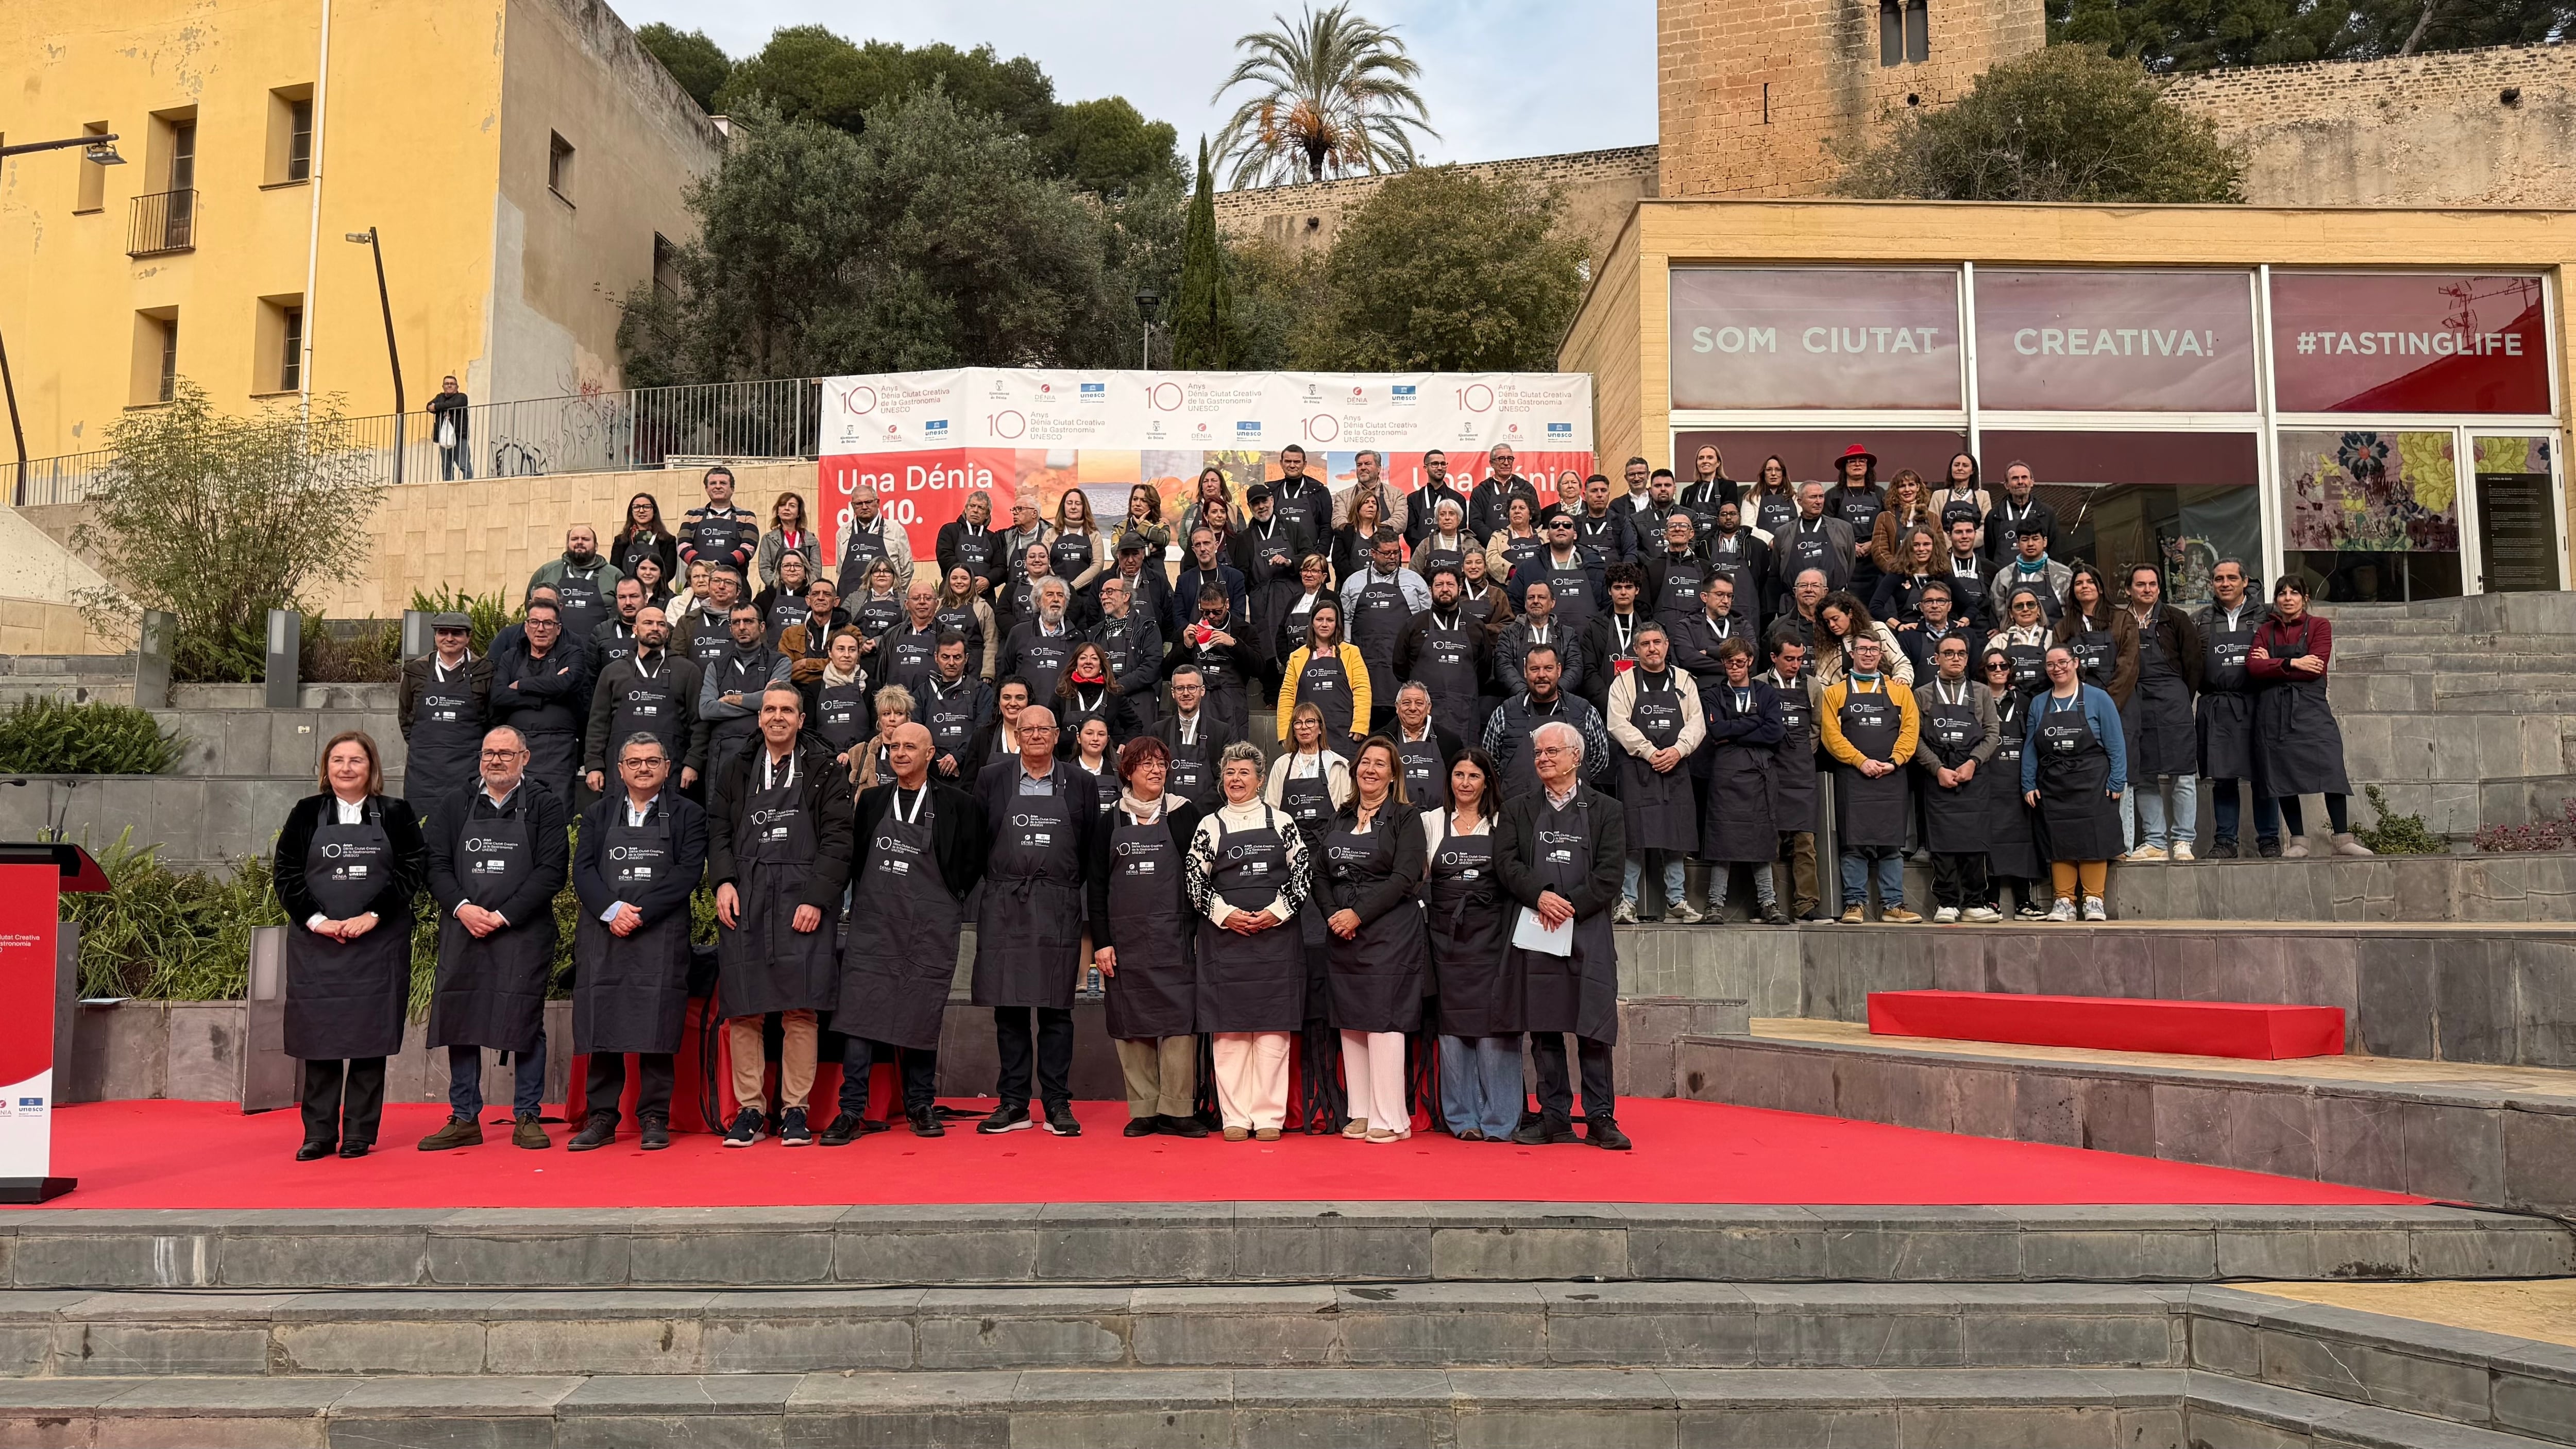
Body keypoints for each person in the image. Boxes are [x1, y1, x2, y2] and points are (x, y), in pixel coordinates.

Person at [830, 721, 988, 1144]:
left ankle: (921, 1103)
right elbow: (859, 857)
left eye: (910, 747)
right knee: (860, 1014)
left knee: (923, 1009)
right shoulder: (873, 801)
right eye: (894, 746)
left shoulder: (958, 804)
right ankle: (851, 1108)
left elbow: (970, 863)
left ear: (930, 754)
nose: (900, 753)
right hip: (875, 923)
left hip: (930, 926)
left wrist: (950, 897)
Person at [709, 684, 852, 1147]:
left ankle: (795, 1109)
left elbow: (838, 839)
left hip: (801, 898)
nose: (776, 717)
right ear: (759, 718)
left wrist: (816, 897)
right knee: (746, 1009)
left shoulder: (823, 770)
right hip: (745, 897)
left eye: (786, 710)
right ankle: (749, 1110)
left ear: (801, 719)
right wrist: (723, 881)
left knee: (800, 1008)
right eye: (769, 709)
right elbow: (717, 830)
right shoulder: (737, 768)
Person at [274, 731, 425, 1160]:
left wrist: (371, 915)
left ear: (371, 768)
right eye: (337, 759)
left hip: (377, 944)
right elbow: (286, 872)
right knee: (319, 1039)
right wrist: (319, 921)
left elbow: (411, 869)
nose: (346, 767)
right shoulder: (306, 812)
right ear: (326, 768)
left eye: (355, 760)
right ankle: (318, 1133)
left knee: (368, 1040)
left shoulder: (396, 812)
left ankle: (359, 1132)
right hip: (317, 945)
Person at [419, 726, 568, 1152]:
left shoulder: (545, 805)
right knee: (460, 1019)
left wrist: (504, 914)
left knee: (525, 1020)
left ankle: (527, 1115)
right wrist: (463, 908)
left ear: (526, 757)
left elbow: (552, 871)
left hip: (523, 932)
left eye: (506, 753)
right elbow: (436, 865)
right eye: (489, 753)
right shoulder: (456, 802)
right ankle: (465, 1116)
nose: (496, 761)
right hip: (463, 928)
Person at [567, 734, 707, 1151]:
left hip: (659, 933)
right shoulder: (597, 814)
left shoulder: (689, 814)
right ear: (620, 769)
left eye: (652, 761)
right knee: (602, 1022)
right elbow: (583, 870)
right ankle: (602, 1117)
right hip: (604, 931)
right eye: (634, 762)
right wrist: (612, 910)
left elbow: (686, 873)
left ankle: (654, 1116)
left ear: (667, 768)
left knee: (657, 1023)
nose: (643, 768)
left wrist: (638, 912)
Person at [1496, 720, 1629, 1150]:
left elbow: (1610, 875)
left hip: (1588, 930)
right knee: (1545, 1027)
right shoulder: (1517, 809)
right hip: (1538, 930)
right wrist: (1540, 897)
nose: (1543, 759)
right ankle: (1553, 1115)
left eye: (1552, 752)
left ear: (1576, 756)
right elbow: (1506, 863)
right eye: (1538, 753)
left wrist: (1567, 903)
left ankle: (1600, 1117)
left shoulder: (1607, 810)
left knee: (1593, 1026)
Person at [973, 704, 1104, 1136]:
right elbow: (981, 838)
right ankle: (1012, 1102)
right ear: (1015, 732)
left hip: (1058, 905)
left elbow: (1088, 850)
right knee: (1008, 1009)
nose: (1033, 735)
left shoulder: (1082, 783)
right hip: (1005, 903)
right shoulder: (992, 777)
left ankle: (1056, 1102)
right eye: (1025, 728)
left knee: (1056, 1010)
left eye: (1042, 729)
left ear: (1055, 735)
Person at [1085, 736, 1206, 1139]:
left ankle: (1178, 1109)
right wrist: (1101, 942)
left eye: (1161, 763)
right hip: (1125, 943)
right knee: (1131, 1026)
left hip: (1176, 939)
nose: (1156, 770)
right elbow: (1097, 888)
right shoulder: (1110, 822)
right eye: (1147, 764)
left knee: (1178, 1027)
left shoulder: (1186, 814)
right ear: (1128, 771)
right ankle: (1144, 1109)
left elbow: (1202, 877)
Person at [1189, 740, 1309, 1141]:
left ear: (1259, 780)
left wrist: (1278, 911)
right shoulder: (1209, 825)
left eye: (1244, 772)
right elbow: (1194, 881)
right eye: (1229, 772)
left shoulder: (1283, 822)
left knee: (1273, 1033)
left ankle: (1270, 1116)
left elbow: (1303, 875)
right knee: (1230, 1034)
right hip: (1226, 942)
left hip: (1276, 941)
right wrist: (1226, 914)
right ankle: (1236, 1117)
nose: (1236, 779)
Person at [1321, 736, 1429, 1144]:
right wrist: (1335, 914)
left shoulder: (1406, 817)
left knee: (1384, 1022)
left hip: (1388, 932)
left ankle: (1391, 1117)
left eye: (1380, 764)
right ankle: (1362, 1111)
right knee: (1351, 1021)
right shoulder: (1341, 816)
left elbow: (1406, 877)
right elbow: (1319, 874)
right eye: (1365, 762)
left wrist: (1358, 914)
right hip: (1343, 932)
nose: (1370, 769)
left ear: (1393, 774)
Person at [1422, 748, 1518, 1140]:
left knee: (1494, 1029)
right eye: (1458, 774)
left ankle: (1500, 1119)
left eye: (1473, 776)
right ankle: (1462, 1119)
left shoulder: (1503, 824)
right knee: (1452, 1030)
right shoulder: (1431, 822)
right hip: (1446, 940)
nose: (1465, 782)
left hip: (1493, 939)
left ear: (1487, 782)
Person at [2250, 577, 2374, 858]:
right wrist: (2292, 662)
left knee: (2331, 769)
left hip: (2311, 709)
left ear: (2305, 598)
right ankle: (2298, 843)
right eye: (2282, 593)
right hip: (2273, 713)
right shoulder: (2265, 630)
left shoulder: (2319, 626)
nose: (2288, 598)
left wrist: (2273, 665)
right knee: (2282, 775)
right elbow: (2254, 668)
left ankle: (2343, 840)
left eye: (2294, 593)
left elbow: (2316, 666)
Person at [1607, 621, 1704, 924]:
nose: (1652, 649)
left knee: (1675, 833)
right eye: (1645, 644)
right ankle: (1627, 903)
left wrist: (1678, 751)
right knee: (1634, 835)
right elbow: (1617, 723)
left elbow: (1697, 723)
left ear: (1666, 646)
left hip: (1676, 766)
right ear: (1636, 650)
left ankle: (1677, 901)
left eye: (1657, 643)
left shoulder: (1685, 681)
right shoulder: (1623, 682)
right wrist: (1650, 752)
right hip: (1637, 767)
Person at [1821, 632, 1921, 924]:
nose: (1868, 654)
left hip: (1892, 777)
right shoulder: (1835, 692)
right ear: (1852, 653)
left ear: (1881, 655)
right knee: (1853, 843)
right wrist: (1860, 761)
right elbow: (1831, 736)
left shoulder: (1901, 692)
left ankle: (1893, 906)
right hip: (1853, 777)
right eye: (1862, 649)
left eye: (1873, 650)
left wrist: (1894, 761)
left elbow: (1910, 732)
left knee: (1891, 844)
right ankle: (1854, 904)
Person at [2025, 644, 2127, 920]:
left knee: (2094, 838)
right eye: (2050, 664)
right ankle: (2064, 901)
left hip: (2093, 779)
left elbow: (2116, 744)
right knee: (2060, 841)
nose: (2057, 668)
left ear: (2076, 663)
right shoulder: (2039, 703)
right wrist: (2028, 783)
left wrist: (2117, 780)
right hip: (2053, 782)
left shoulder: (2098, 698)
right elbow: (2031, 747)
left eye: (2062, 662)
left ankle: (2094, 899)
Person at [1698, 637, 1788, 924]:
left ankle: (1769, 903)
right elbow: (1715, 730)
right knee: (1722, 840)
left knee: (1761, 839)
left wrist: (1734, 731)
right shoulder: (1713, 694)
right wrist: (1755, 721)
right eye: (1728, 662)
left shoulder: (1766, 693)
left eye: (1739, 662)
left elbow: (1775, 732)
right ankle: (1714, 904)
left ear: (1750, 661)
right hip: (1725, 772)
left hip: (1760, 772)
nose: (1734, 667)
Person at [2195, 558, 2279, 859]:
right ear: (2212, 584)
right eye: (2219, 579)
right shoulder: (2201, 619)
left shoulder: (2268, 616)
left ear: (2245, 581)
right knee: (2224, 777)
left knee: (2262, 775)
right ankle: (2225, 841)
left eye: (2232, 578)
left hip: (2258, 703)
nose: (2225, 584)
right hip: (2218, 705)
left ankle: (2269, 839)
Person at [1914, 634, 2001, 923]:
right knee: (1943, 843)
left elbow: (1992, 733)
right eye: (1949, 653)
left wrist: (1973, 763)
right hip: (1938, 775)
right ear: (1936, 658)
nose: (1956, 658)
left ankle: (1975, 902)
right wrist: (1937, 768)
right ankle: (1947, 902)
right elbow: (1915, 739)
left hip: (1973, 776)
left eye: (1961, 653)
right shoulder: (1922, 694)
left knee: (1975, 842)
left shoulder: (1982, 692)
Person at [2123, 562, 2204, 862]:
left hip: (2173, 701)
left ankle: (2183, 840)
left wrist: (2182, 695)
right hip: (2135, 699)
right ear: (2129, 589)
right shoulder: (2121, 620)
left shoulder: (2176, 618)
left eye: (2153, 585)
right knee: (2144, 773)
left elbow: (2194, 664)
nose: (2147, 590)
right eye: (2141, 585)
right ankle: (2156, 841)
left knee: (2182, 773)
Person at [582, 606, 703, 796]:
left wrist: (693, 763)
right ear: (636, 630)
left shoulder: (688, 671)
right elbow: (598, 724)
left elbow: (699, 723)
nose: (655, 628)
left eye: (661, 624)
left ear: (667, 631)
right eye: (648, 623)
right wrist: (594, 765)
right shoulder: (613, 672)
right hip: (619, 773)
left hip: (672, 771)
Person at [485, 600, 587, 804]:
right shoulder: (511, 657)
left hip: (559, 749)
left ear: (558, 629)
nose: (540, 629)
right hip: (516, 747)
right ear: (526, 626)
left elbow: (566, 684)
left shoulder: (572, 653)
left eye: (548, 623)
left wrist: (521, 684)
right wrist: (542, 695)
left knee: (557, 810)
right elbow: (498, 696)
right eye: (534, 622)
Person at [1484, 643, 1613, 799]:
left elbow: (1600, 759)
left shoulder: (1585, 711)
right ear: (1525, 672)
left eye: (1548, 668)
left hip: (1573, 810)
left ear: (1559, 670)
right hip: (1518, 811)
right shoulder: (1505, 712)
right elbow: (1490, 760)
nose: (1541, 675)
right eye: (1535, 669)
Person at [1760, 634, 1827, 923]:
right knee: (1769, 842)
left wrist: (1800, 752)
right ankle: (1768, 904)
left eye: (1800, 659)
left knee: (1806, 843)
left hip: (1801, 773)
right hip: (1770, 770)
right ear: (1774, 657)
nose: (1796, 664)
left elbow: (1817, 727)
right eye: (1789, 659)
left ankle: (1806, 905)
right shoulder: (1760, 684)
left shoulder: (1813, 686)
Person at [1979, 650, 2047, 919]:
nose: (1998, 670)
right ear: (1983, 670)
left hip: (2018, 778)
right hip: (1986, 778)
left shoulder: (2025, 701)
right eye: (1992, 666)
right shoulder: (1977, 698)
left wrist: (2030, 780)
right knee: (1989, 839)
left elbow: (2034, 742)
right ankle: (1991, 901)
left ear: (2011, 669)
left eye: (2003, 665)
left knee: (2024, 840)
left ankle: (2024, 902)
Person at [399, 612, 490, 809]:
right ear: (435, 636)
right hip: (423, 771)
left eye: (456, 633)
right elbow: (405, 716)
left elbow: (493, 718)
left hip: (469, 767)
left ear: (468, 637)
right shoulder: (417, 670)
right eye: (443, 633)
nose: (449, 638)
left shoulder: (484, 671)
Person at [1340, 528, 1430, 724]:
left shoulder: (1415, 582)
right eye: (1387, 553)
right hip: (1365, 664)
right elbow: (1345, 623)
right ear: (1373, 553)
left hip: (1404, 668)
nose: (1393, 558)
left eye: (1396, 553)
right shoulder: (1353, 583)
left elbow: (1426, 625)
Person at [1392, 566, 1490, 744]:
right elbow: (1400, 668)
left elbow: (1484, 670)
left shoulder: (1476, 627)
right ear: (1430, 589)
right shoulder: (1413, 625)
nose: (1445, 589)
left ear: (1460, 588)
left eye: (1450, 584)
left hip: (1464, 713)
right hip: (1423, 713)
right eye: (1439, 585)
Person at [699, 603, 791, 770]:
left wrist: (732, 699)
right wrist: (761, 703)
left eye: (748, 621)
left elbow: (778, 702)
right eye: (736, 622)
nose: (742, 627)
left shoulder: (780, 662)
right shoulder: (716, 667)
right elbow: (706, 710)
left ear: (762, 626)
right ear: (730, 628)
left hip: (765, 749)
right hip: (722, 754)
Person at [1276, 599, 1371, 745]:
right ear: (1312, 623)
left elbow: (1362, 690)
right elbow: (1287, 696)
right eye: (1320, 619)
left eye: (1330, 620)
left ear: (1337, 624)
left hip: (1345, 733)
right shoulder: (1297, 656)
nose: (1325, 624)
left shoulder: (1352, 652)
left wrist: (1360, 726)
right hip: (1307, 734)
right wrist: (1284, 734)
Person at [1171, 583, 1257, 738]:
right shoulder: (1189, 630)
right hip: (1198, 698)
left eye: (1217, 612)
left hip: (1231, 700)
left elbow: (1260, 668)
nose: (1211, 617)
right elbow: (1166, 670)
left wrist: (1235, 644)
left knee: (1233, 752)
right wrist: (1185, 647)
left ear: (1227, 604)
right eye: (1205, 612)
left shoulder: (1244, 630)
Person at [2053, 564, 2139, 710]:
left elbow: (2129, 666)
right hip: (2079, 704)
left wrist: (2108, 703)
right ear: (2073, 591)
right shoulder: (2062, 628)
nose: (2085, 586)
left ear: (2100, 589)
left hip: (2120, 703)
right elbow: (2060, 667)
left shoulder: (2123, 620)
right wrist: (2079, 701)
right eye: (2079, 583)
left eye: (2091, 582)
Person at [1153, 664, 1239, 809]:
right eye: (1180, 688)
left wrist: (1196, 810)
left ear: (1202, 691)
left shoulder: (1221, 731)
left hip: (1210, 815)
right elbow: (1153, 775)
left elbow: (1226, 777)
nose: (1186, 693)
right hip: (1167, 813)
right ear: (1173, 693)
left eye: (1192, 687)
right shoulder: (1159, 730)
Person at [917, 636, 993, 784]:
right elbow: (916, 731)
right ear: (936, 657)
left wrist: (957, 757)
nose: (951, 663)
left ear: (966, 659)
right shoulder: (923, 692)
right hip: (930, 771)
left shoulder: (982, 691)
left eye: (957, 657)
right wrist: (937, 762)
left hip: (969, 772)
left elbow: (983, 730)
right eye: (946, 657)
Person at [1495, 579, 1586, 701]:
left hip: (1560, 701)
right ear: (1526, 603)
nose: (1536, 601)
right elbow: (1503, 667)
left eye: (1541, 597)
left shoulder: (1567, 634)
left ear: (1553, 603)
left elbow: (1575, 668)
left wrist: (1554, 693)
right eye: (1531, 598)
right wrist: (1526, 695)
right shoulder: (1509, 633)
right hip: (1519, 701)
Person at [528, 526, 622, 641]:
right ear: (567, 545)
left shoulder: (614, 575)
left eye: (586, 539)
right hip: (554, 649)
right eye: (575, 539)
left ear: (596, 546)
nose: (580, 542)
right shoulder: (547, 572)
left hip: (599, 648)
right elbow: (531, 605)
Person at [998, 576, 1079, 706]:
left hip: (1064, 713)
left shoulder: (1077, 638)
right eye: (1050, 595)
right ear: (1038, 601)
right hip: (1025, 711)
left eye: (1060, 595)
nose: (1056, 600)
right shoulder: (1019, 633)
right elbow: (1006, 675)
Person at [1580, 563, 1649, 715]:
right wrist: (1610, 704)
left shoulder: (1651, 628)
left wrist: (1645, 704)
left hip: (1644, 709)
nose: (1623, 592)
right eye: (1618, 587)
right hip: (1605, 709)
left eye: (1629, 587)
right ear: (1609, 591)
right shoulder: (1595, 627)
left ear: (1637, 590)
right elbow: (1589, 672)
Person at [1777, 482, 1857, 605]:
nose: (1819, 501)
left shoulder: (1844, 528)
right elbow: (1777, 570)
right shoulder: (1783, 532)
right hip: (1795, 603)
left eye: (1821, 496)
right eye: (1813, 497)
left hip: (1835, 602)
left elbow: (1850, 563)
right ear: (1800, 501)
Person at [1814, 592, 1914, 688]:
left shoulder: (1878, 630)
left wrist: (1902, 679)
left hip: (1886, 697)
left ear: (1850, 613)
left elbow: (1902, 664)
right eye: (1827, 622)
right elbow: (1821, 684)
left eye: (1835, 619)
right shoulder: (1831, 647)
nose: (1832, 625)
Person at [1388, 680, 1462, 809]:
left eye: (1419, 703)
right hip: (1394, 818)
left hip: (1440, 816)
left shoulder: (1450, 742)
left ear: (1428, 708)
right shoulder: (1383, 740)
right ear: (1397, 707)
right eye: (1406, 703)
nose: (1412, 708)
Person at [680, 466, 760, 583]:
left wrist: (718, 564)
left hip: (733, 584)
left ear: (732, 489)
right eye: (713, 483)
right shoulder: (692, 516)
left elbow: (748, 548)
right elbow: (683, 546)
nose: (718, 486)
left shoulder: (747, 517)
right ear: (707, 489)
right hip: (699, 583)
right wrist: (703, 566)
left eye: (723, 483)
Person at [834, 482, 913, 591]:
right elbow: (840, 570)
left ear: (878, 502)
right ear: (852, 506)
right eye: (859, 504)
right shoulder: (843, 533)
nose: (864, 507)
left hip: (885, 599)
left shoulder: (896, 530)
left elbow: (907, 569)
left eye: (868, 502)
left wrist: (895, 593)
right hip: (849, 599)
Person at [1055, 640, 1136, 748]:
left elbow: (1135, 725)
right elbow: (1051, 729)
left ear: (1101, 666)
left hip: (1105, 759)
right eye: (1083, 658)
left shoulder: (1114, 694)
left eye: (1094, 658)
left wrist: (1125, 743)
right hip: (1067, 760)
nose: (1088, 662)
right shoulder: (1062, 693)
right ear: (1076, 664)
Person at [816, 636, 878, 773]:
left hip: (862, 761)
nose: (846, 655)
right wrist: (832, 754)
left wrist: (853, 753)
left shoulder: (871, 687)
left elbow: (876, 728)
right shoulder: (815, 688)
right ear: (830, 652)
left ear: (859, 653)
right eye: (841, 649)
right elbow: (810, 730)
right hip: (823, 761)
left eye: (852, 650)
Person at [1981, 461, 2059, 568]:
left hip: (2039, 578)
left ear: (2032, 482)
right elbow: (1990, 553)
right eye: (2015, 478)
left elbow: (2054, 552)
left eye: (2024, 477)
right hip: (2004, 579)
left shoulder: (2046, 513)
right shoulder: (1994, 516)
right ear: (2006, 485)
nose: (2020, 482)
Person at [1173, 527, 1247, 638]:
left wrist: (1222, 634)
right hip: (1194, 641)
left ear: (1216, 545)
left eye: (1207, 543)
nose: (1203, 549)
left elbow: (1239, 613)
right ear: (1193, 549)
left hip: (1227, 639)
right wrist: (1191, 633)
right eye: (1198, 545)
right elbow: (1178, 615)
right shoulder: (1184, 580)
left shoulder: (1235, 577)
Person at [1991, 526, 2072, 623]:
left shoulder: (2064, 574)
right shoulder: (2004, 576)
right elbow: (1998, 612)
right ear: (2018, 543)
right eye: (2025, 540)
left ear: (2045, 541)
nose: (2030, 544)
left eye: (2035, 539)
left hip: (2057, 636)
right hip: (2015, 636)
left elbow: (2073, 612)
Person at [936, 489, 1004, 601]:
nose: (975, 511)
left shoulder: (993, 538)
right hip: (952, 595)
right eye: (972, 506)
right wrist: (968, 579)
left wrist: (988, 580)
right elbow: (945, 558)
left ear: (987, 515)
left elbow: (1000, 567)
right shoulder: (949, 530)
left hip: (984, 596)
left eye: (981, 508)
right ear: (966, 509)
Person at [1988, 586, 2055, 700]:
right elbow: (1988, 673)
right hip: (2009, 702)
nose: (2025, 609)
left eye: (2031, 605)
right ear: (2011, 614)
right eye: (2019, 606)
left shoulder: (2053, 637)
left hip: (2048, 700)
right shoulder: (1999, 641)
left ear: (2038, 610)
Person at [1866, 469, 1934, 581]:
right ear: (1896, 490)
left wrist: (1926, 571)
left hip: (1929, 578)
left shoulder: (1933, 518)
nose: (1907, 490)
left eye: (1911, 485)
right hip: (1895, 579)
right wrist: (1897, 571)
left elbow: (1940, 548)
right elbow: (1879, 551)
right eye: (1902, 486)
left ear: (1918, 487)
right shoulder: (1885, 517)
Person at [1049, 487, 1113, 603]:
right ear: (1064, 507)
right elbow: (1045, 563)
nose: (1073, 507)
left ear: (1084, 507)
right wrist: (1059, 588)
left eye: (1078, 503)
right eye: (1069, 503)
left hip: (1085, 598)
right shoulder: (1051, 533)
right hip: (1055, 596)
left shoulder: (1094, 535)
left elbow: (1097, 565)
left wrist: (1072, 587)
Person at [934, 567, 998, 681]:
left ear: (971, 582)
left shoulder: (983, 607)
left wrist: (988, 672)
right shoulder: (937, 605)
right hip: (942, 669)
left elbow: (991, 642)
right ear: (948, 581)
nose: (959, 582)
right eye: (954, 578)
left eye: (964, 578)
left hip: (975, 668)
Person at [1402, 448, 1469, 548]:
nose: (1440, 467)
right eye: (1435, 464)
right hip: (1421, 556)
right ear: (1425, 468)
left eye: (1443, 464)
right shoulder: (1413, 499)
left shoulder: (1458, 499)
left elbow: (1461, 530)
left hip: (1450, 555)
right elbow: (1410, 532)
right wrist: (1426, 549)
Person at [755, 491, 821, 593]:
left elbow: (816, 569)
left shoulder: (811, 540)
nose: (786, 508)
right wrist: (777, 587)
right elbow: (764, 567)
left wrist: (807, 589)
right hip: (776, 592)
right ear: (778, 511)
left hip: (805, 593)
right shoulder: (769, 539)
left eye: (792, 506)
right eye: (782, 505)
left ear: (799, 513)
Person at [613, 492, 679, 589]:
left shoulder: (667, 540)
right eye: (636, 507)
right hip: (628, 591)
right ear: (631, 511)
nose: (641, 511)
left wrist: (650, 586)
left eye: (646, 507)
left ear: (654, 511)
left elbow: (669, 570)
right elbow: (616, 570)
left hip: (658, 592)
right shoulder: (621, 541)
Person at [1267, 444, 1333, 542]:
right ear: (1281, 463)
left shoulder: (1320, 491)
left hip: (1310, 555)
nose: (1292, 465)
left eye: (1297, 462)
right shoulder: (1271, 492)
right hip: (1279, 556)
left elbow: (1326, 526)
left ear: (1305, 464)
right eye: (1288, 461)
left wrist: (1320, 554)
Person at [1329, 489, 1394, 586]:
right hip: (1351, 585)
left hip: (1382, 585)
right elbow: (1339, 562)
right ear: (1357, 507)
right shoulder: (1344, 531)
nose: (1371, 506)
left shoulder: (1387, 531)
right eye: (1366, 502)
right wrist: (1358, 580)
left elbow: (1393, 560)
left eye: (1374, 503)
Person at [1929, 451, 1991, 552]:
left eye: (1965, 465)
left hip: (1976, 552)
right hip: (1946, 552)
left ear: (1973, 471)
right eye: (1956, 465)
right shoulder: (1938, 495)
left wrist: (1968, 544)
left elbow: (1987, 526)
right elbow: (1933, 525)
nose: (1960, 468)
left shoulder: (1983, 496)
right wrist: (1951, 545)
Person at [1573, 473, 1640, 565]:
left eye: (1603, 490)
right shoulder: (1575, 523)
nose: (1600, 495)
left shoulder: (1621, 522)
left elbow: (1630, 553)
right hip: (1583, 577)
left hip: (1615, 577)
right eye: (1594, 491)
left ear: (1609, 494)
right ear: (1585, 495)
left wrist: (1623, 576)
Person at [1409, 497, 1478, 585]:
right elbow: (1414, 572)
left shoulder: (1471, 543)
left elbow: (1481, 570)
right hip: (1433, 595)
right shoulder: (1426, 544)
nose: (1447, 518)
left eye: (1452, 514)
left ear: (1459, 519)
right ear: (1437, 520)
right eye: (1443, 514)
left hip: (1464, 594)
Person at [753, 552, 818, 643]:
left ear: (806, 571)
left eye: (798, 565)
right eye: (787, 566)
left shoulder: (815, 597)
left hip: (805, 655)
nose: (792, 569)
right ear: (779, 571)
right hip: (772, 654)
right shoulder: (766, 597)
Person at [1485, 495, 1547, 588]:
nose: (1517, 511)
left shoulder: (1545, 536)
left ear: (1531, 514)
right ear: (1508, 514)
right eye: (1513, 508)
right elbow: (1491, 560)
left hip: (1541, 587)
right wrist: (1513, 573)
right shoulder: (1498, 537)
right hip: (1508, 589)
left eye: (1522, 508)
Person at [845, 557, 906, 645]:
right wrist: (862, 641)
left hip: (892, 652)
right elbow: (843, 623)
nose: (882, 575)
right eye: (876, 571)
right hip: (858, 651)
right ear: (869, 575)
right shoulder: (854, 598)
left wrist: (878, 642)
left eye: (887, 571)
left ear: (894, 576)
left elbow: (908, 627)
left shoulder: (905, 600)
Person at [1679, 443, 1736, 526]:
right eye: (1701, 458)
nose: (1705, 461)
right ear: (1697, 463)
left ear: (1718, 463)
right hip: (1693, 537)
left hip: (1718, 537)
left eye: (1710, 458)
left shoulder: (1729, 487)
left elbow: (1731, 518)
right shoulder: (1688, 491)